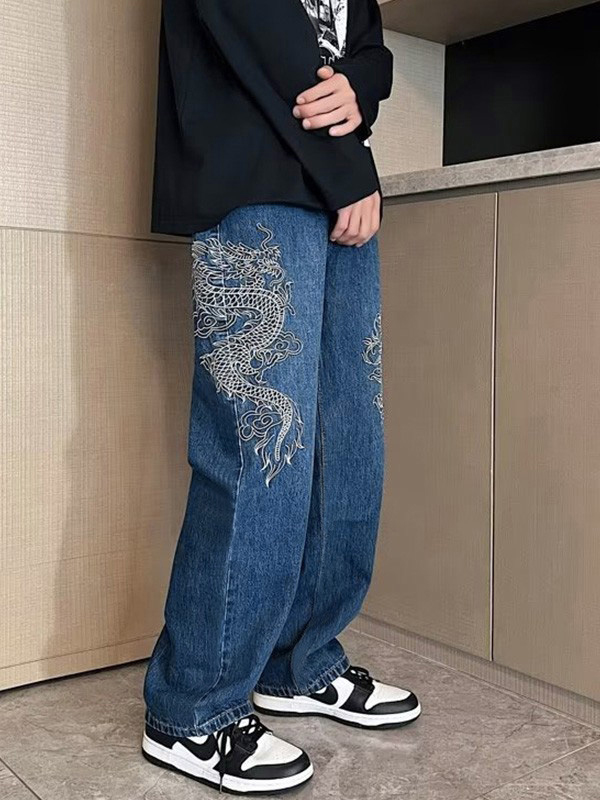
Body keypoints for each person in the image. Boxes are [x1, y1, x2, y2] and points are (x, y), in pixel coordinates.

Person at [141, 0, 421, 794]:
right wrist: (349, 165)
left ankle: (300, 662)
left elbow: (368, 45)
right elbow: (256, 27)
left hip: (337, 191)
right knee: (262, 448)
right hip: (256, 176)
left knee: (348, 443)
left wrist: (362, 89)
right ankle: (193, 708)